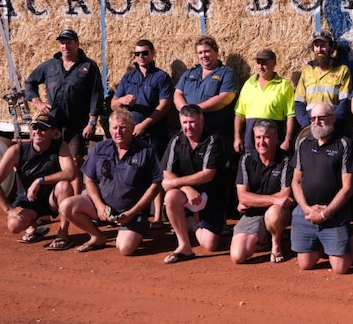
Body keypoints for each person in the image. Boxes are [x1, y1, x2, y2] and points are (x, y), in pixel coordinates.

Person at [59, 108, 162, 255]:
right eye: (114, 128)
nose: (118, 132)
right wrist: (100, 206)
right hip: (103, 209)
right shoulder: (101, 148)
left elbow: (155, 185)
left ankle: (134, 231)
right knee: (66, 206)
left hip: (132, 212)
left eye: (123, 128)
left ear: (132, 128)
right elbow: (89, 180)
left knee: (125, 249)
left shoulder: (146, 150)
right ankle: (97, 236)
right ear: (109, 129)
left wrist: (132, 213)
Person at [25, 28, 103, 196]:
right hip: (53, 123)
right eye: (62, 43)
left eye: (68, 42)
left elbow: (96, 95)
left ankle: (74, 202)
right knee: (51, 159)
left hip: (77, 123)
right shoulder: (49, 66)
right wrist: (37, 102)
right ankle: (50, 198)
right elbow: (30, 83)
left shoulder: (88, 67)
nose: (65, 46)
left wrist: (92, 122)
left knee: (76, 161)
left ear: (77, 44)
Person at [0, 114, 76, 250]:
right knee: (14, 225)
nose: (37, 132)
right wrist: (9, 209)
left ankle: (63, 233)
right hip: (28, 202)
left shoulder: (60, 146)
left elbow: (70, 173)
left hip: (51, 201)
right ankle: (33, 225)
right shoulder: (17, 150)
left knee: (64, 186)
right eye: (35, 127)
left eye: (43, 129)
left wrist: (40, 181)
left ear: (54, 133)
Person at [111, 39, 174, 228]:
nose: (141, 57)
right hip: (130, 131)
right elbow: (113, 104)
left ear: (153, 53)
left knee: (155, 171)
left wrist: (144, 125)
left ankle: (158, 217)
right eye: (137, 54)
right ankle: (130, 211)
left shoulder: (161, 77)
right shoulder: (128, 77)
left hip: (153, 131)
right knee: (131, 170)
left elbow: (164, 106)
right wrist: (123, 99)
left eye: (145, 53)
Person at [291, 102, 353, 274]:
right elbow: (296, 182)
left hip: (334, 214)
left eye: (321, 118)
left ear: (333, 118)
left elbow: (348, 187)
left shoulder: (344, 144)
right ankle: (327, 245)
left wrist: (325, 213)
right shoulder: (303, 143)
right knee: (305, 264)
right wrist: (307, 210)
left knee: (340, 268)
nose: (316, 122)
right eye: (313, 119)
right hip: (306, 215)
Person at [160, 104, 228, 264]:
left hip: (212, 196)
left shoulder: (214, 139)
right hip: (187, 194)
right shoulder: (176, 140)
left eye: (192, 122)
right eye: (184, 123)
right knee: (171, 197)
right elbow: (167, 174)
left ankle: (192, 223)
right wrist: (187, 188)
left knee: (210, 245)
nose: (188, 127)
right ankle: (184, 246)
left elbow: (208, 175)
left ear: (202, 121)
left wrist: (175, 182)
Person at [230, 119, 294, 264]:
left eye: (266, 137)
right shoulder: (246, 159)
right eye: (258, 138)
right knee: (237, 256)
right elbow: (243, 196)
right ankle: (263, 240)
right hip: (253, 213)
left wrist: (253, 200)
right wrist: (273, 199)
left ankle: (276, 244)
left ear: (276, 137)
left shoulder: (286, 159)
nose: (262, 142)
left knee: (274, 214)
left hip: (277, 212)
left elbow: (285, 195)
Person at [173, 35, 238, 145]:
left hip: (215, 134)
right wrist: (186, 111)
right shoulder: (189, 73)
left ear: (216, 51)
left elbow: (225, 98)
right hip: (189, 135)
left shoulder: (227, 73)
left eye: (207, 51)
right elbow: (177, 94)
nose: (204, 55)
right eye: (200, 52)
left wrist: (195, 110)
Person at [233, 49, 296, 154]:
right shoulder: (248, 84)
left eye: (265, 63)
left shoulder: (284, 86)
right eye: (258, 63)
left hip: (274, 141)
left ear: (274, 63)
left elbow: (290, 115)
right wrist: (237, 137)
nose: (261, 67)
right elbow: (239, 114)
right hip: (251, 142)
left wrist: (287, 139)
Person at [294, 30, 352, 131]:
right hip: (310, 125)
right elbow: (299, 103)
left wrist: (332, 122)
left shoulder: (342, 70)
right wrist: (306, 124)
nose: (319, 49)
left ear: (331, 47)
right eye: (316, 46)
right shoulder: (307, 70)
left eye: (323, 45)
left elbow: (345, 102)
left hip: (332, 125)